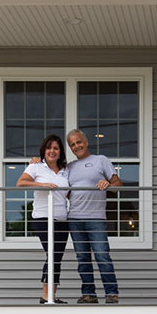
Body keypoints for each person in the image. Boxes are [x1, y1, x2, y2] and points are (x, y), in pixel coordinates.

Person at [66, 129, 122, 304]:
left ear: (86, 141)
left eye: (78, 142)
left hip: (96, 217)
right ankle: (89, 294)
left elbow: (117, 184)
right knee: (82, 258)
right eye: (72, 144)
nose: (76, 146)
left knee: (101, 255)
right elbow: (67, 192)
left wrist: (108, 183)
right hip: (74, 218)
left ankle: (112, 293)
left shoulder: (101, 160)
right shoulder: (69, 167)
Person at [16, 134, 70, 304]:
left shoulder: (66, 170)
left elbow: (69, 193)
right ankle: (46, 295)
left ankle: (51, 294)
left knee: (57, 256)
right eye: (49, 148)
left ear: (60, 151)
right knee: (52, 253)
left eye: (56, 148)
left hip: (62, 218)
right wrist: (43, 185)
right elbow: (21, 182)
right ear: (44, 150)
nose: (52, 151)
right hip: (43, 217)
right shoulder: (36, 167)